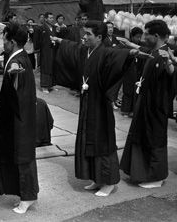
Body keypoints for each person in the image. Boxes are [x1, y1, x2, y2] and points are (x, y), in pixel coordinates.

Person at [52, 20, 139, 197]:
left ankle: (109, 182)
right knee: (87, 139)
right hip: (87, 102)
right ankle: (96, 178)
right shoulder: (86, 50)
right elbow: (74, 47)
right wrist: (60, 41)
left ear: (99, 37)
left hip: (100, 105)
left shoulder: (105, 52)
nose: (84, 37)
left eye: (88, 34)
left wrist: (130, 52)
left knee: (101, 142)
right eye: (84, 33)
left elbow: (118, 55)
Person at [120, 20, 175, 189]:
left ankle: (155, 176)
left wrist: (169, 64)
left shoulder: (165, 54)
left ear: (156, 36)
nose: (143, 37)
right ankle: (143, 173)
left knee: (153, 139)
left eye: (146, 34)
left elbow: (171, 73)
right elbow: (146, 52)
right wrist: (129, 44)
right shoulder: (156, 52)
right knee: (143, 137)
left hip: (155, 106)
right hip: (146, 104)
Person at [0, 24, 38, 214]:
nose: (2, 42)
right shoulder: (18, 58)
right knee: (16, 155)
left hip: (20, 118)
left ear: (11, 41)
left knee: (22, 157)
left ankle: (28, 196)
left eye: (4, 39)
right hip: (15, 117)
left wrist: (15, 75)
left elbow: (19, 85)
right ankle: (23, 193)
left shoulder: (17, 62)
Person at [120, 27, 143, 117]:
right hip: (128, 70)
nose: (139, 39)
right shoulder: (126, 44)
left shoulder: (141, 45)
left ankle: (133, 110)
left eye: (140, 37)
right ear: (132, 36)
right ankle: (125, 110)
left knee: (136, 91)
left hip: (137, 70)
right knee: (127, 90)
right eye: (137, 37)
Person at [34, 12, 58, 93]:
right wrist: (38, 49)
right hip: (45, 50)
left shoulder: (54, 27)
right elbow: (37, 40)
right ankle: (44, 86)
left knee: (53, 66)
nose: (52, 19)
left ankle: (51, 85)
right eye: (50, 18)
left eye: (52, 18)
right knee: (45, 67)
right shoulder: (40, 28)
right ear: (46, 18)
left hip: (53, 49)